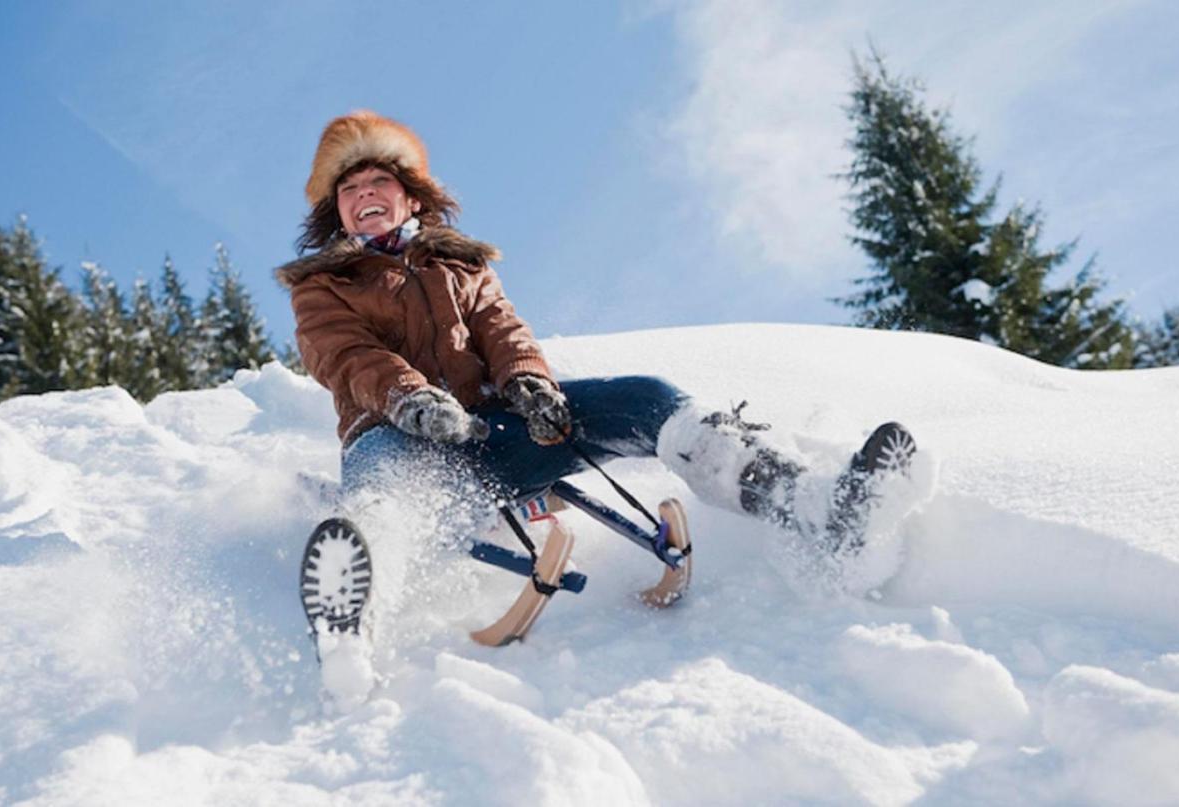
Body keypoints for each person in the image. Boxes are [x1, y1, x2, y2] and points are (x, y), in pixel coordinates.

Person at [276, 111, 915, 562]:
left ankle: (809, 504)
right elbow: (344, 354)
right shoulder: (324, 283)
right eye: (350, 189)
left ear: (411, 198)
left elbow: (502, 329)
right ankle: (357, 586)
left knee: (646, 397)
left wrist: (529, 381)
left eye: (379, 182)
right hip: (398, 440)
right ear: (336, 211)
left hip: (489, 436)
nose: (365, 195)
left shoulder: (464, 266)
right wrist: (409, 399)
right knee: (385, 479)